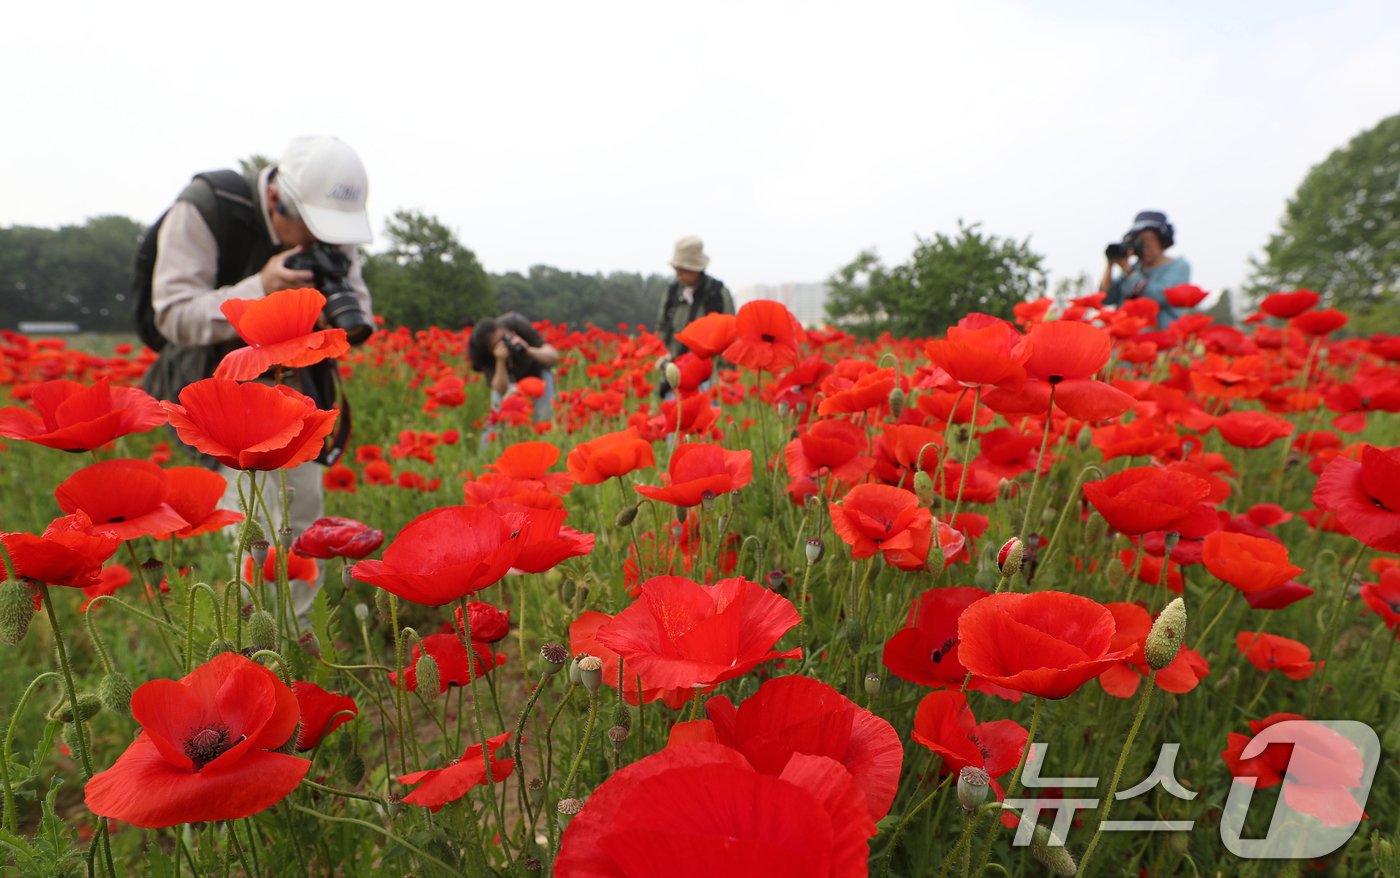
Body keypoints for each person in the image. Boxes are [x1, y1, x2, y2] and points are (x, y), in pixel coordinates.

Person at [146, 135, 375, 618]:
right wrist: (261, 289)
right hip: (220, 385)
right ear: (275, 199)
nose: (318, 243)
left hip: (295, 380)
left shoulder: (333, 234)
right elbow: (170, 314)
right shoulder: (208, 208)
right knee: (250, 514)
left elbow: (356, 307)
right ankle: (255, 631)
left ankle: (296, 629)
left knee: (302, 507)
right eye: (310, 229)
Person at [654, 235, 734, 397]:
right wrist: (665, 355)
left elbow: (731, 334)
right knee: (675, 417)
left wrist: (725, 373)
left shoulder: (717, 293)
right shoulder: (671, 292)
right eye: (677, 269)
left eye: (683, 270)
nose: (679, 274)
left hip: (709, 375)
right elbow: (662, 326)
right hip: (677, 369)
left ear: (697, 269)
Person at [1100, 210, 1191, 330]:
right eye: (1140, 240)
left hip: (1160, 340)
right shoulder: (1135, 268)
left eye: (1150, 239)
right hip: (1126, 343)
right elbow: (1105, 298)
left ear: (1162, 240)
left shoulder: (1178, 266)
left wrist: (1129, 272)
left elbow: (1158, 296)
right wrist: (1110, 265)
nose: (1145, 245)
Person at [468, 312, 560, 425]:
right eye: (497, 344)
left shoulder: (515, 323)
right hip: (508, 381)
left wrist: (528, 350)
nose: (505, 344)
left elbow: (553, 356)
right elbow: (501, 390)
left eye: (504, 338)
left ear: (507, 330)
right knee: (496, 420)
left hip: (537, 375)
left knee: (544, 417)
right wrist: (500, 361)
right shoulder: (483, 353)